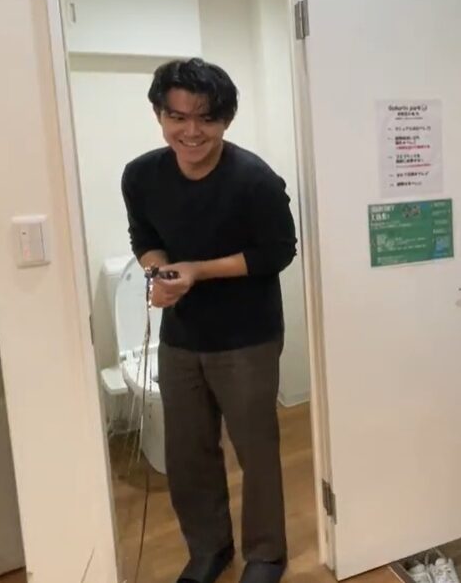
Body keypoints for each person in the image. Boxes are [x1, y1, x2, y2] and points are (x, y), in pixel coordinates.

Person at [121, 58, 297, 583]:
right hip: (181, 337)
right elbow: (143, 239)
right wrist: (160, 272)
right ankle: (208, 548)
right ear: (159, 115)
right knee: (188, 454)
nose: (192, 132)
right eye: (178, 117)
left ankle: (266, 555)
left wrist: (197, 271)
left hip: (248, 337)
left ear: (226, 119)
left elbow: (277, 252)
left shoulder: (254, 179)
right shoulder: (141, 175)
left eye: (206, 118)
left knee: (256, 451)